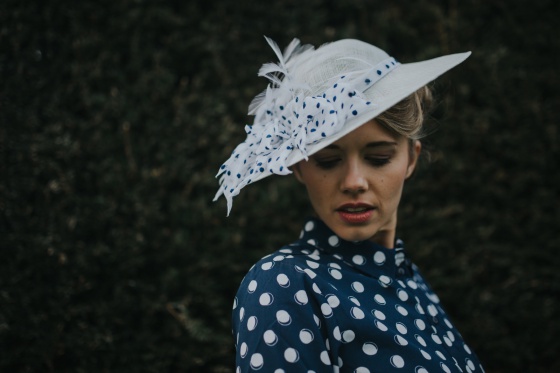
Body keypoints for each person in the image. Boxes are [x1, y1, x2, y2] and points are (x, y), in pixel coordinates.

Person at [215, 36, 484, 372]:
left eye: (378, 157)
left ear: (411, 159)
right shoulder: (285, 284)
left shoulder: (411, 282)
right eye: (328, 161)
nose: (354, 181)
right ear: (299, 167)